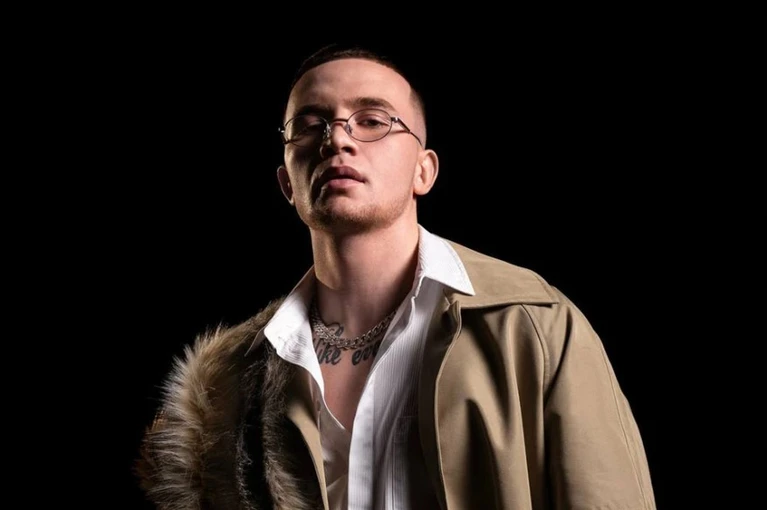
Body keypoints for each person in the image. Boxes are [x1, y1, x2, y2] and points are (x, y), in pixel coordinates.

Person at [136, 43, 657, 510]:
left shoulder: (535, 324)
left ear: (423, 170)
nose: (337, 140)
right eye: (311, 124)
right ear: (287, 184)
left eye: (372, 120)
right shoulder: (229, 380)